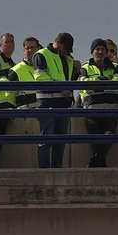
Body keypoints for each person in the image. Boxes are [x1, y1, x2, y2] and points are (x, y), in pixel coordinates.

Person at [33, 32, 81, 168]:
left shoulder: (68, 59)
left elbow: (70, 80)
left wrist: (76, 72)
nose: (66, 52)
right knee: (46, 140)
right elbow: (40, 78)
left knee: (60, 141)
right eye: (65, 48)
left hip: (64, 104)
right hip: (47, 103)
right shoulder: (41, 54)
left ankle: (57, 170)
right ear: (58, 42)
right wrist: (61, 87)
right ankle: (44, 171)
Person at [82, 38, 118, 167]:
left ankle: (94, 163)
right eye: (97, 49)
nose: (100, 52)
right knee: (95, 140)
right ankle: (100, 164)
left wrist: (96, 82)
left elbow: (117, 83)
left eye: (103, 49)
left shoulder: (115, 66)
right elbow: (84, 85)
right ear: (92, 52)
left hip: (111, 109)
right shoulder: (85, 67)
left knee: (109, 135)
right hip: (92, 110)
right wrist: (105, 81)